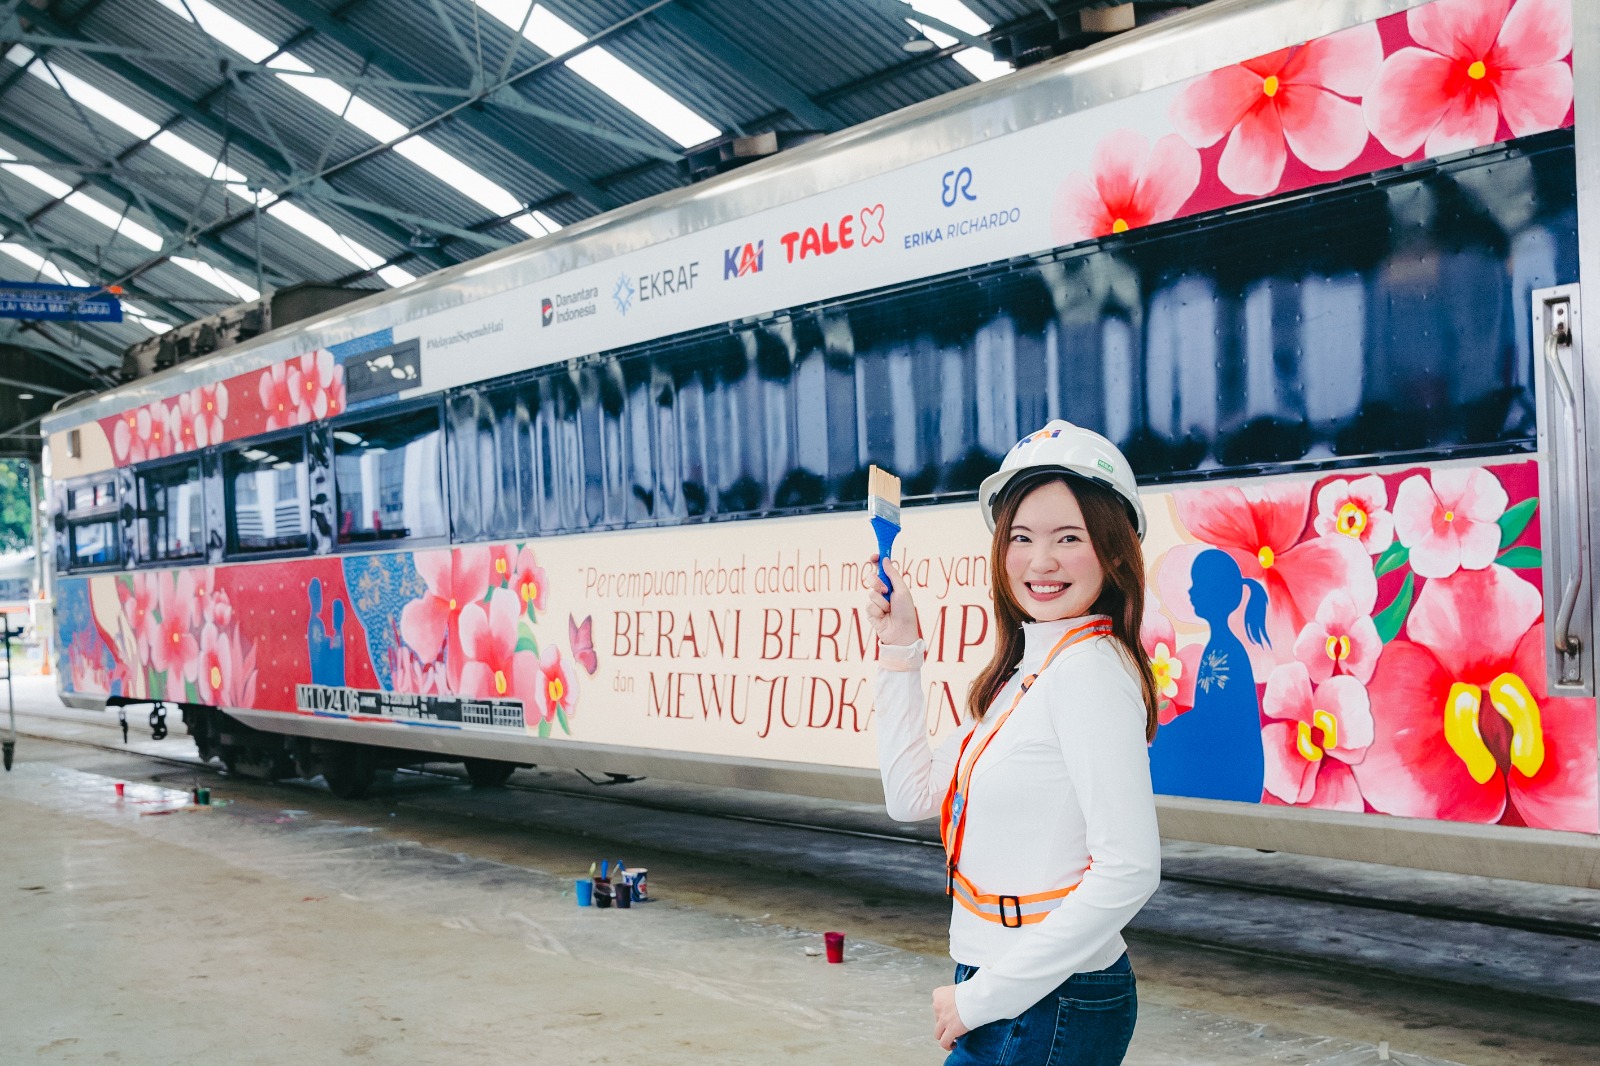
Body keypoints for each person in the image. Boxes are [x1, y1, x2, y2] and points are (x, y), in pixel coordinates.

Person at [865, 420, 1162, 1065]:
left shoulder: (1087, 672)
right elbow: (909, 795)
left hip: (1046, 999)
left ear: (1113, 551)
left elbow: (1131, 868)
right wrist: (899, 646)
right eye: (1021, 537)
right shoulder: (1029, 671)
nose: (1040, 561)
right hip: (1010, 987)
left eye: (1069, 538)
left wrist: (984, 998)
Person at [1148, 548, 1270, 802]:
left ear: (1217, 592)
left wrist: (1166, 733)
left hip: (1229, 775)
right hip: (1229, 769)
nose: (1191, 592)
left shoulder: (1224, 652)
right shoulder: (1220, 647)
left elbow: (1214, 720)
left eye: (1198, 584)